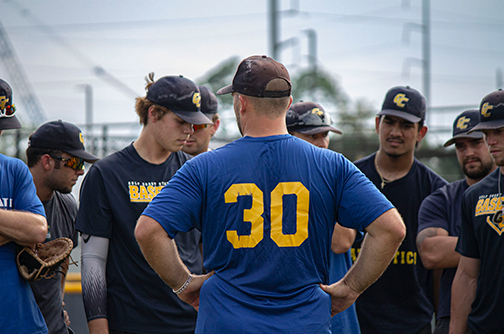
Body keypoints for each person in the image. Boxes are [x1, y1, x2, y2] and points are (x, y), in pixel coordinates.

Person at [135, 55, 406, 333]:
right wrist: (350, 287)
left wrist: (183, 284)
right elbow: (391, 229)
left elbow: (148, 230)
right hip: (305, 322)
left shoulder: (204, 167)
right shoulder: (332, 164)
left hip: (226, 321)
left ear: (241, 103)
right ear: (288, 104)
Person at [75, 74, 211, 334]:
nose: (189, 131)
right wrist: (98, 329)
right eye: (181, 121)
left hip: (191, 322)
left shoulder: (195, 171)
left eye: (193, 123)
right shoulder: (106, 174)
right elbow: (93, 262)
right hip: (130, 324)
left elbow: (206, 251)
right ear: (153, 114)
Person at [351, 85, 448, 333]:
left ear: (421, 132)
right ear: (377, 124)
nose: (395, 132)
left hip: (413, 324)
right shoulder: (350, 178)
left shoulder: (437, 191)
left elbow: (440, 272)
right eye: (389, 122)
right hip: (355, 321)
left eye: (406, 125)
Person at [416, 110, 495, 334]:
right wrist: (494, 244)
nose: (468, 152)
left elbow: (446, 250)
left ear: (491, 139)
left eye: (475, 142)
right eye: (460, 146)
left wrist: (459, 246)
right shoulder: (442, 198)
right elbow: (431, 252)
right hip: (453, 317)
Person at [286, 100, 361, 333]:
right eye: (312, 136)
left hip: (333, 304)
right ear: (287, 136)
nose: (322, 143)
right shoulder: (274, 177)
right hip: (292, 306)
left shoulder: (335, 175)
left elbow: (341, 242)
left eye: (324, 135)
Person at [27, 120, 100, 334]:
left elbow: (63, 261)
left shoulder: (68, 205)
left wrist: (57, 304)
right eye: (75, 163)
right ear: (47, 161)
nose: (81, 172)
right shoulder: (10, 203)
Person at [450, 89, 504, 334]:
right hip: (484, 326)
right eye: (487, 133)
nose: (491, 140)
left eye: (499, 132)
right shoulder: (474, 196)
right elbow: (467, 274)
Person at [0, 77, 49, 334]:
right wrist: (12, 229)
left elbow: (38, 230)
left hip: (21, 323)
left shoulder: (13, 169)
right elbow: (24, 230)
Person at [182, 85, 220, 156]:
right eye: (182, 123)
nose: (189, 131)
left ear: (214, 126)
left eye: (197, 125)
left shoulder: (222, 165)